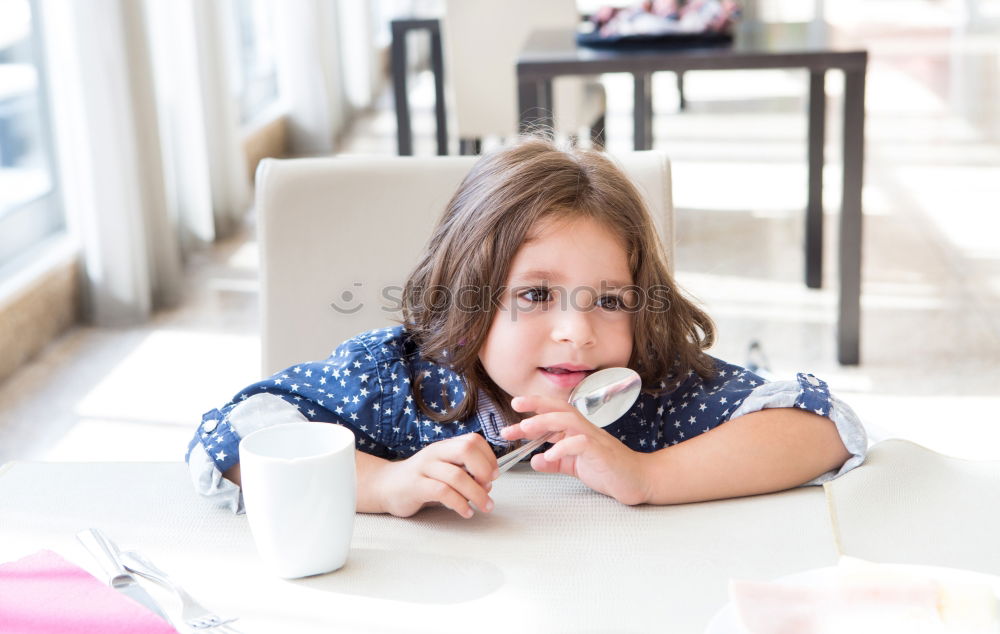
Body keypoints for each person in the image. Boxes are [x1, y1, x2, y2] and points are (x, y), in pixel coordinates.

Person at [186, 137, 866, 517]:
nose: (577, 332)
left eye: (608, 300)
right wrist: (379, 485)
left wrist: (647, 475)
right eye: (536, 295)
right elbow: (235, 433)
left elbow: (821, 425)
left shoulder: (648, 390)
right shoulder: (399, 379)